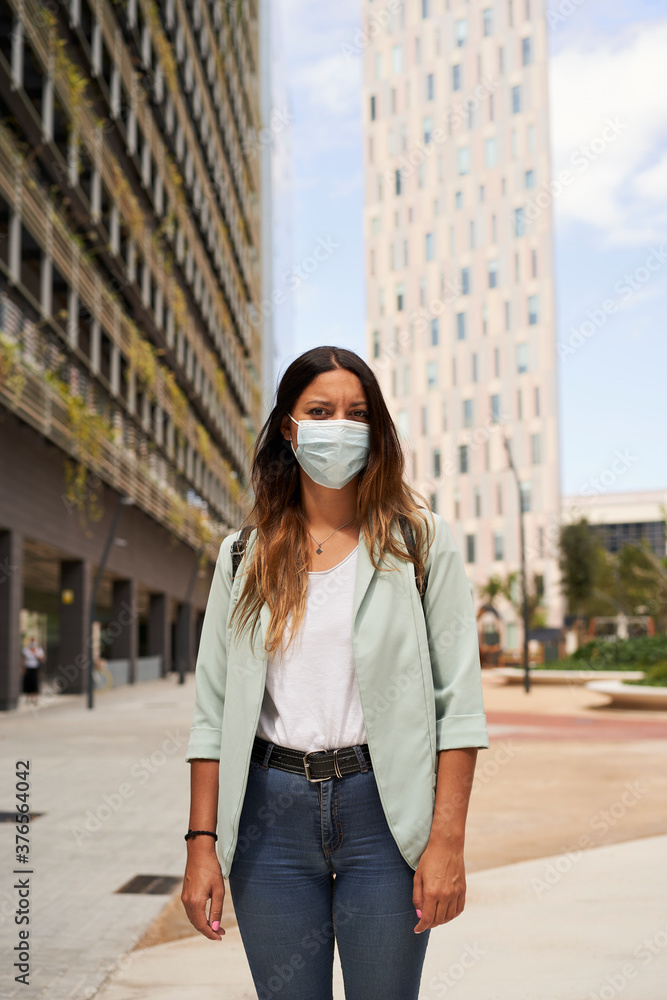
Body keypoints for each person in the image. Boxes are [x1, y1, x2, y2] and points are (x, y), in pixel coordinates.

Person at [182, 347, 489, 1000]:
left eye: (357, 413)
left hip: (383, 815)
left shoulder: (419, 543)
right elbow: (211, 716)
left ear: (375, 431)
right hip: (269, 820)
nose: (339, 426)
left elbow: (456, 710)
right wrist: (200, 846)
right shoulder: (240, 557)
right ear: (289, 429)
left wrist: (447, 845)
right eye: (320, 411)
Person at [21, 635, 45, 705]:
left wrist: (35, 653)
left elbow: (42, 659)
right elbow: (23, 659)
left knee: (35, 682)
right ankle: (28, 698)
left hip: (35, 668)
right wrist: (23, 668)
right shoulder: (26, 650)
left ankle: (35, 698)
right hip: (28, 668)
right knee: (28, 683)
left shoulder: (39, 650)